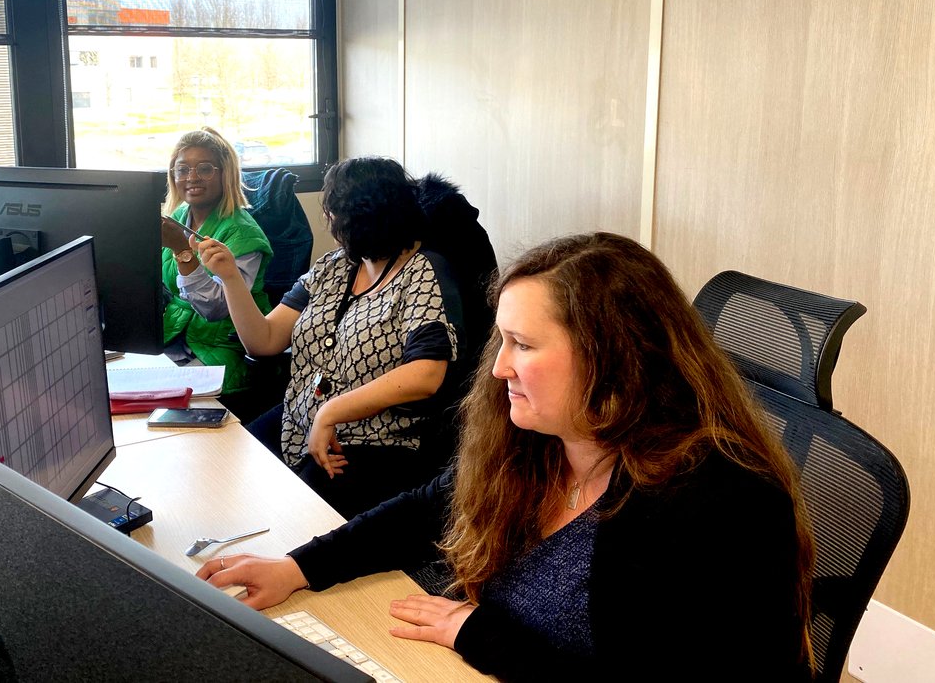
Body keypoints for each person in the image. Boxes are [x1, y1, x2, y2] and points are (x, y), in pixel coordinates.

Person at [195, 233, 815, 681]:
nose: (498, 368)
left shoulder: (719, 503)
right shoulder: (540, 441)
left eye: (523, 344)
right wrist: (296, 568)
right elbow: (420, 510)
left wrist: (475, 633)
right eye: (503, 340)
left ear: (615, 356)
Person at [192, 156, 464, 520]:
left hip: (374, 439)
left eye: (335, 212)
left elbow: (425, 375)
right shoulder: (334, 265)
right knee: (224, 472)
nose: (330, 221)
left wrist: (331, 411)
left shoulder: (423, 271)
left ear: (365, 214)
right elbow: (265, 340)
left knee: (289, 519)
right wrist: (229, 278)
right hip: (299, 420)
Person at [159, 128, 273, 411]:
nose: (192, 177)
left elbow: (216, 309)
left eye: (205, 169)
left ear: (225, 175)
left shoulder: (243, 234)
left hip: (222, 350)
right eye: (182, 169)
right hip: (177, 339)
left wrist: (183, 253)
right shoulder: (178, 218)